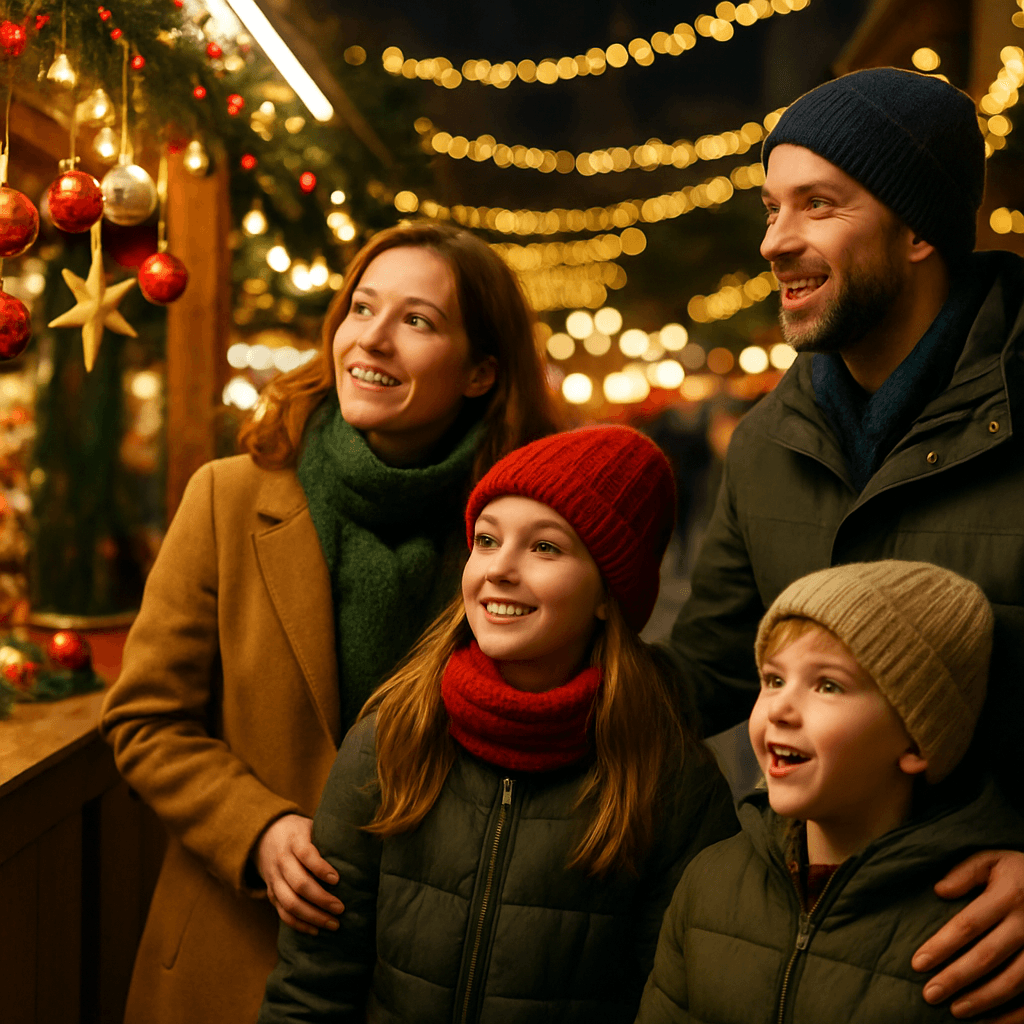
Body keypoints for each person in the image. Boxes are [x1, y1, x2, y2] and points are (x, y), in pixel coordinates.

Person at [99, 221, 561, 1024]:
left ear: (481, 370)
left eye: (417, 321)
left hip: (429, 974)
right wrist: (260, 828)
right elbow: (145, 720)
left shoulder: (519, 536)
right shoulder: (230, 497)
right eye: (361, 308)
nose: (371, 340)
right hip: (234, 954)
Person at [660, 67, 1024, 1019]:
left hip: (976, 953)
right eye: (773, 206)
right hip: (805, 926)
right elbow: (704, 670)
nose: (776, 240)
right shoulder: (770, 441)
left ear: (918, 230)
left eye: (819, 205)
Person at [257, 425, 737, 1023]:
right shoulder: (393, 736)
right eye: (486, 540)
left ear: (608, 593)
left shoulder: (670, 780)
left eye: (545, 548)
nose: (499, 569)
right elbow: (312, 984)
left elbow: (676, 1002)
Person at [639, 560, 1024, 1023]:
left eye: (827, 685)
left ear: (918, 739)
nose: (780, 707)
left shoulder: (982, 926)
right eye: (773, 679)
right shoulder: (709, 882)